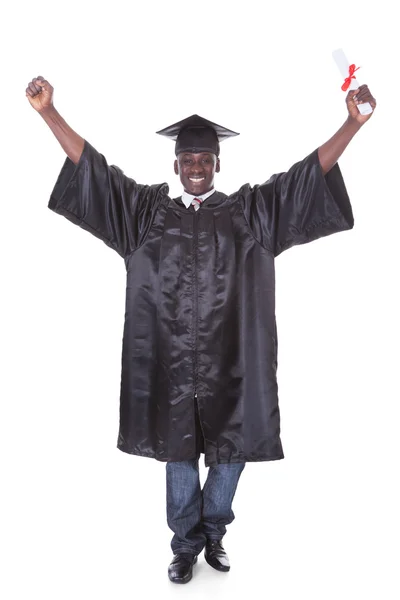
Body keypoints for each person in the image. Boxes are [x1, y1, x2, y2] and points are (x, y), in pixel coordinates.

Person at [26, 75, 376, 584]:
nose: (195, 167)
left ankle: (215, 529)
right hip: (168, 358)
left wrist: (352, 123)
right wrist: (48, 113)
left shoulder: (250, 214)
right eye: (187, 160)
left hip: (232, 358)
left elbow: (306, 175)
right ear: (175, 164)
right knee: (179, 452)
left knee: (235, 446)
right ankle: (186, 544)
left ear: (217, 163)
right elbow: (93, 171)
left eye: (204, 160)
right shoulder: (145, 215)